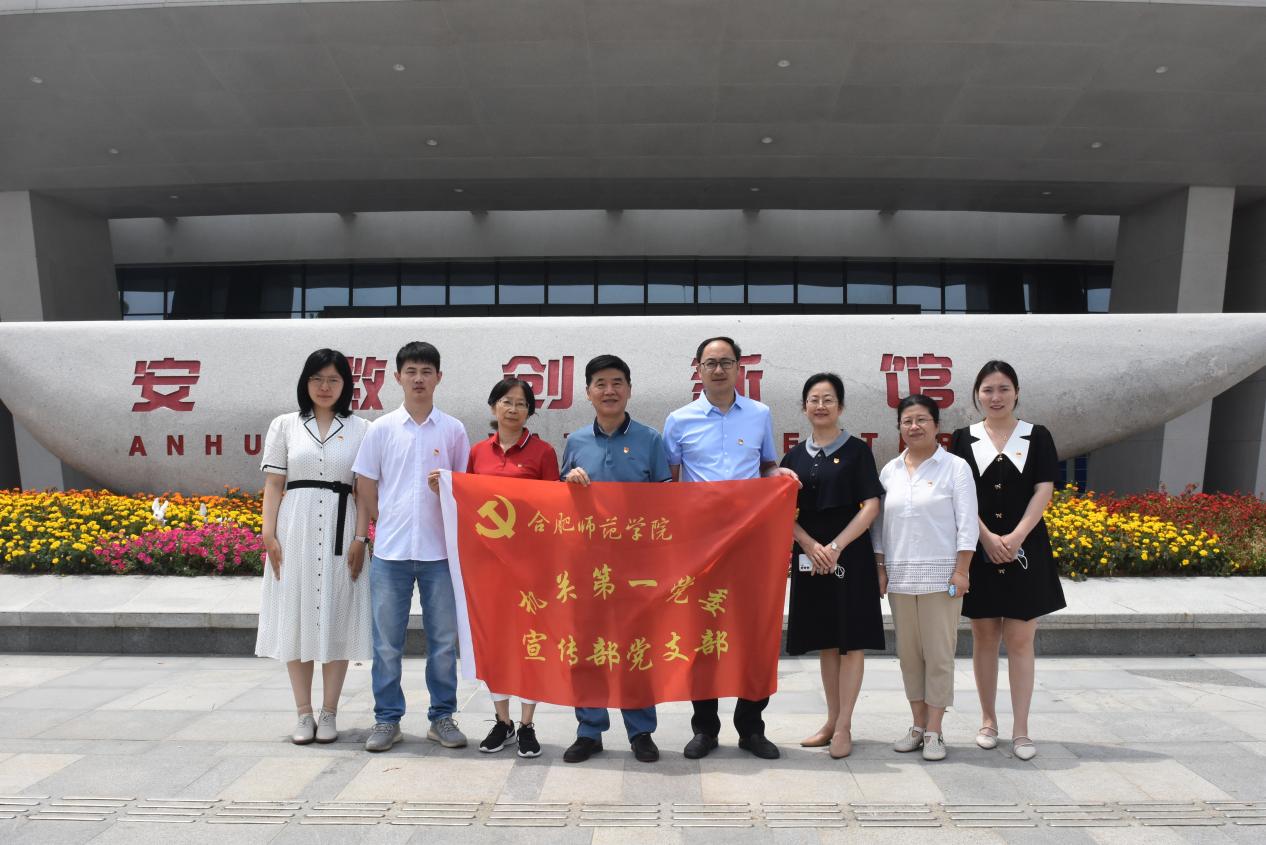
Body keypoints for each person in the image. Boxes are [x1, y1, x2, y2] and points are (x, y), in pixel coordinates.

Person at [662, 336, 799, 761]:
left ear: (740, 367)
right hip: (700, 546)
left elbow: (767, 466)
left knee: (752, 632)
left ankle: (751, 727)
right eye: (710, 363)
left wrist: (779, 475)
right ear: (698, 368)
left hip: (750, 543)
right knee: (700, 634)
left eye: (726, 362)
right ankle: (705, 728)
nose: (718, 370)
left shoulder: (759, 414)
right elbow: (669, 484)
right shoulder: (678, 420)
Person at [352, 341, 471, 753]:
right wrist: (381, 521)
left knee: (443, 642)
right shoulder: (381, 429)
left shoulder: (453, 430)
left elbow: (465, 487)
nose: (419, 379)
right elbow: (366, 484)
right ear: (397, 377)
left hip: (440, 553)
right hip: (391, 553)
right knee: (387, 644)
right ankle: (387, 719)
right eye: (411, 371)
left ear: (439, 377)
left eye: (426, 371)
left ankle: (442, 717)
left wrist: (446, 491)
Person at [950, 360, 1065, 762]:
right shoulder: (964, 439)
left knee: (1020, 639)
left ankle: (1021, 729)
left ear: (1016, 392)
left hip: (1025, 551)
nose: (995, 397)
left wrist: (1016, 537)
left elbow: (1043, 489)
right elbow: (960, 495)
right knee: (984, 636)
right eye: (987, 390)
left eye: (1003, 389)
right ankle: (988, 721)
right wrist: (985, 536)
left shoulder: (1037, 436)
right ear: (976, 395)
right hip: (978, 550)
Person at [559, 354, 670, 765]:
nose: (609, 391)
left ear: (629, 389)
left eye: (617, 383)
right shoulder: (576, 442)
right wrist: (568, 481)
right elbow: (558, 503)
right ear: (588, 392)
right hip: (587, 565)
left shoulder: (650, 439)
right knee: (586, 647)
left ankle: (641, 731)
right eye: (601, 384)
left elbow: (664, 504)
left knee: (636, 647)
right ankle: (589, 730)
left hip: (636, 566)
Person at [257, 348, 371, 745]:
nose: (325, 387)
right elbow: (274, 483)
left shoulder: (362, 428)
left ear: (346, 385)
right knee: (297, 614)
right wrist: (269, 534)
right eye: (317, 379)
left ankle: (330, 712)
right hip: (296, 529)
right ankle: (303, 713)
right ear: (306, 382)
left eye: (333, 379)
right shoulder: (285, 425)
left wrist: (360, 538)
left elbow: (364, 490)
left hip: (343, 528)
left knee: (338, 614)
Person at [779, 373, 884, 760]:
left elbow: (871, 505)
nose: (820, 406)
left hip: (849, 555)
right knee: (826, 639)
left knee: (850, 641)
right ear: (804, 407)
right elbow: (781, 511)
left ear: (840, 406)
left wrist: (836, 546)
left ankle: (844, 726)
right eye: (813, 399)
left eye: (828, 399)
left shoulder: (857, 451)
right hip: (810, 556)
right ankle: (830, 720)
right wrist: (809, 544)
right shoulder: (793, 457)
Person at [871, 394, 978, 762]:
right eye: (907, 421)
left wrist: (962, 570)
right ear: (899, 427)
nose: (913, 427)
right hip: (901, 578)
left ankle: (935, 730)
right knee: (909, 656)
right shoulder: (890, 471)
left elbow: (967, 524)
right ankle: (917, 725)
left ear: (936, 425)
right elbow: (879, 526)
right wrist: (881, 567)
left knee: (939, 655)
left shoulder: (955, 468)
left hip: (942, 578)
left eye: (921, 420)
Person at [467, 377, 560, 758]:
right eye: (506, 401)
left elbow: (554, 507)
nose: (513, 409)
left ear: (530, 412)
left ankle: (527, 724)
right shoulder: (477, 453)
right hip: (487, 565)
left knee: (530, 641)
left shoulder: (543, 452)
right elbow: (466, 501)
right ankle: (502, 721)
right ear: (493, 407)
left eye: (521, 404)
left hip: (529, 564)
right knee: (495, 642)